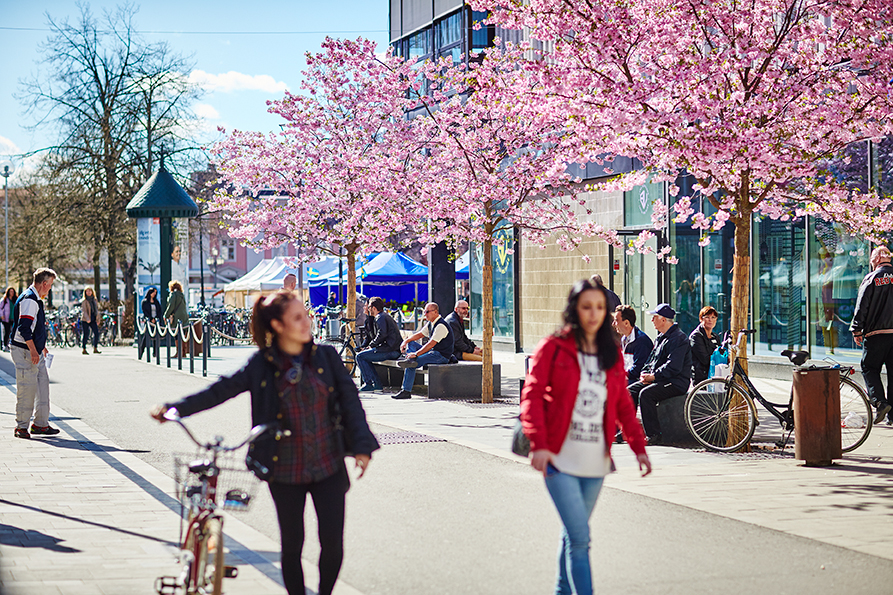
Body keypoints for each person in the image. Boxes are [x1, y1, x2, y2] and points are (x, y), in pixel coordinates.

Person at [151, 290, 379, 595]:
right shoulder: (261, 364)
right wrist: (174, 408)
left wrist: (362, 446)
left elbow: (350, 400)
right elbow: (221, 390)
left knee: (333, 544)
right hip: (284, 467)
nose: (306, 322)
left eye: (306, 315)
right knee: (292, 544)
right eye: (297, 317)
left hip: (328, 463)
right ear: (277, 326)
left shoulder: (326, 356)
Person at [521, 279, 651, 595]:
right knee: (581, 538)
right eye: (586, 307)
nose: (593, 313)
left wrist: (638, 446)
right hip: (558, 456)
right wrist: (538, 444)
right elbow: (532, 394)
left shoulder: (611, 353)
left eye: (599, 308)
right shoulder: (554, 346)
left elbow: (621, 401)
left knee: (572, 534)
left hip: (596, 460)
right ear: (574, 310)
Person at [627, 304, 692, 445]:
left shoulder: (679, 338)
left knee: (646, 394)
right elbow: (651, 360)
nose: (652, 321)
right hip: (661, 378)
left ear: (663, 320)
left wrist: (654, 376)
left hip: (676, 382)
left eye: (654, 317)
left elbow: (673, 367)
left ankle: (654, 435)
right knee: (630, 391)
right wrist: (645, 373)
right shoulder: (661, 337)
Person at [11, 268, 59, 439]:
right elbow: (24, 328)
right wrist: (33, 350)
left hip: (33, 350)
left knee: (42, 386)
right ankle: (21, 427)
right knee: (27, 388)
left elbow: (34, 326)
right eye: (50, 285)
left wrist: (41, 346)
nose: (50, 289)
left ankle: (40, 424)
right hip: (25, 351)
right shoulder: (30, 300)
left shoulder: (35, 298)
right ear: (44, 283)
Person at [850, 245, 893, 423]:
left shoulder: (871, 278)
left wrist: (857, 329)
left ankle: (879, 402)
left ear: (875, 260)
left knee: (869, 368)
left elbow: (862, 305)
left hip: (876, 334)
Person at [392, 302, 454, 400]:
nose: (425, 314)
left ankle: (406, 391)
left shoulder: (441, 325)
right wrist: (406, 341)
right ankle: (410, 359)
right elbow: (420, 334)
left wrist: (416, 354)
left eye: (427, 312)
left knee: (411, 363)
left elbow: (431, 344)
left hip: (440, 356)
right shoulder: (431, 323)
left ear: (435, 312)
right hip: (432, 353)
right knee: (411, 343)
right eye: (424, 311)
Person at [355, 297, 403, 392]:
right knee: (363, 356)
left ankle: (370, 384)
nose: (368, 309)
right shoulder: (381, 316)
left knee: (360, 357)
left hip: (391, 350)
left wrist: (371, 346)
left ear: (373, 308)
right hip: (390, 349)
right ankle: (376, 384)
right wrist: (368, 347)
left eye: (369, 307)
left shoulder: (380, 317)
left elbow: (382, 334)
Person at [612, 305, 654, 385]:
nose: (614, 324)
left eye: (616, 320)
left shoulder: (641, 341)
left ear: (626, 323)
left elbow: (638, 369)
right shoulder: (624, 339)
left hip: (637, 381)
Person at [689, 306, 720, 383]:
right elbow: (705, 359)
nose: (710, 320)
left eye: (713, 317)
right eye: (707, 317)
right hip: (701, 378)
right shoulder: (696, 336)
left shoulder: (715, 336)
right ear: (701, 319)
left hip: (715, 375)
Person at [80, 287, 101, 355]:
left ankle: (95, 348)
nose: (88, 292)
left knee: (96, 333)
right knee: (86, 334)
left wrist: (98, 319)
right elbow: (84, 311)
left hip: (93, 318)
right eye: (87, 291)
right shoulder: (84, 301)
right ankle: (84, 349)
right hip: (85, 319)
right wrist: (87, 319)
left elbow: (96, 310)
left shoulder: (94, 300)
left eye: (90, 291)